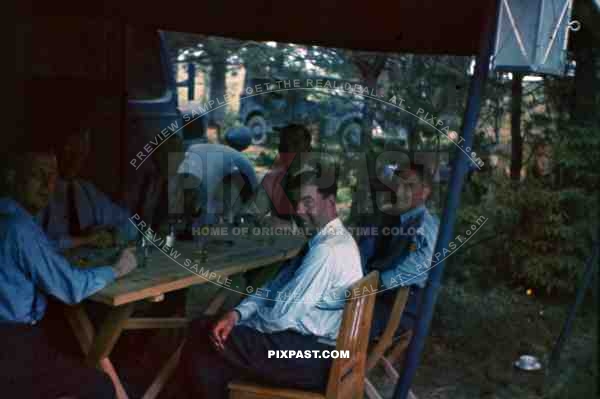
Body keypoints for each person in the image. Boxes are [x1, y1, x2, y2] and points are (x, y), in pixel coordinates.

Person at [177, 164, 363, 399]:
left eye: (308, 202)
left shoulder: (327, 251)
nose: (298, 210)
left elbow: (281, 317)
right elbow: (274, 287)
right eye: (297, 202)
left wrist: (243, 326)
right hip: (316, 351)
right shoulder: (327, 240)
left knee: (204, 334)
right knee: (215, 342)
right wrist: (237, 314)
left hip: (314, 358)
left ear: (331, 201)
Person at [0, 149, 138, 399]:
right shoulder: (19, 228)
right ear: (11, 177)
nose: (47, 185)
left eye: (52, 176)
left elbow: (42, 247)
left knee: (76, 347)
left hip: (14, 342)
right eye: (37, 175)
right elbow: (72, 287)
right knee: (102, 387)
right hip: (13, 349)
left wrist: (82, 240)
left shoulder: (10, 218)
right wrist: (117, 269)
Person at [361, 162, 439, 339]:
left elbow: (424, 266)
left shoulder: (426, 224)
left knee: (333, 318)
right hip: (377, 298)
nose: (400, 190)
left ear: (425, 192)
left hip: (397, 310)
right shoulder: (394, 218)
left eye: (409, 185)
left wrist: (377, 283)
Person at [39, 128, 137, 250]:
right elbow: (33, 246)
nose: (75, 160)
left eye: (81, 152)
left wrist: (113, 235)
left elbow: (131, 225)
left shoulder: (87, 192)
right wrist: (85, 240)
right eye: (69, 150)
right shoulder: (38, 193)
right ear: (55, 150)